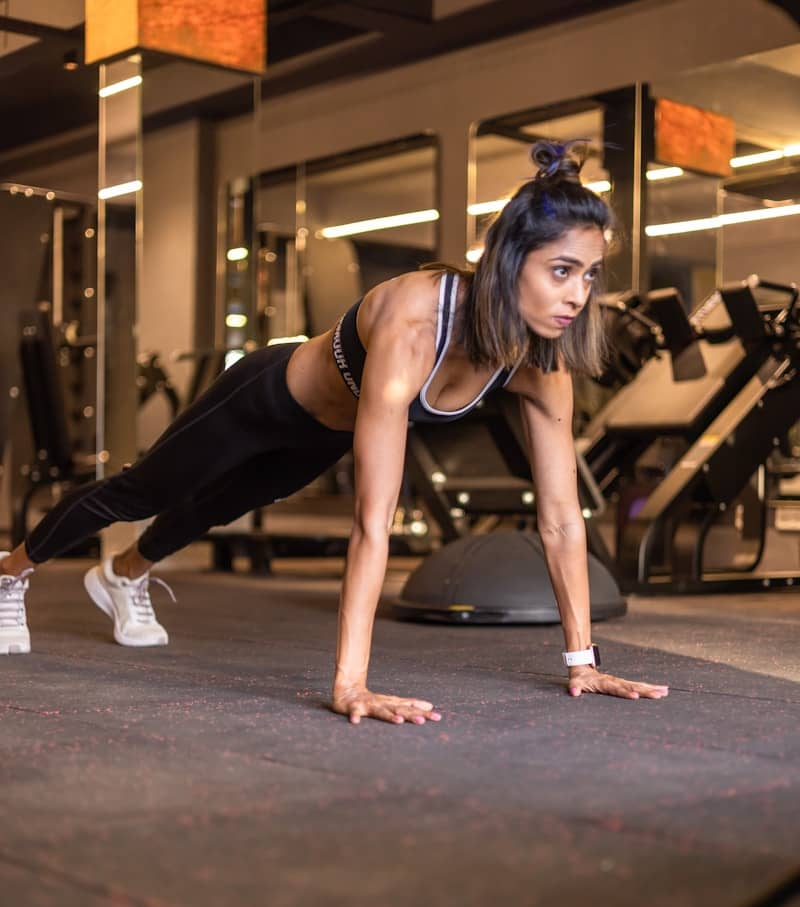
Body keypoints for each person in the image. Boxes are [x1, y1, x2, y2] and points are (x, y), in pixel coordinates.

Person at [0, 140, 669, 721]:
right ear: (506, 260)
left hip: (322, 433)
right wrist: (351, 684)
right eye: (561, 271)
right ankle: (10, 572)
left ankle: (124, 573)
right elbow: (371, 522)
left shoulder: (541, 363)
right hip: (266, 398)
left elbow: (560, 520)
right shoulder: (416, 320)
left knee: (219, 507)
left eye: (588, 275)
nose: (579, 296)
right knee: (144, 490)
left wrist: (583, 661)